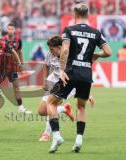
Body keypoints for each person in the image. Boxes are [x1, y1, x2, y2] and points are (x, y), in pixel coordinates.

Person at [39, 3, 112, 153]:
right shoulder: (95, 32)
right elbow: (108, 52)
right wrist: (98, 54)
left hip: (71, 72)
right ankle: (79, 140)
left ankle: (56, 136)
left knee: (51, 103)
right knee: (81, 107)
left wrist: (61, 69)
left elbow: (65, 49)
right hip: (86, 74)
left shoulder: (69, 30)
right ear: (88, 15)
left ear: (75, 14)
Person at [38, 36, 94, 142]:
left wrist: (88, 93)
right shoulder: (51, 54)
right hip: (52, 82)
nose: (50, 51)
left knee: (51, 105)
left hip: (66, 85)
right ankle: (64, 109)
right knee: (41, 111)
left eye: (52, 49)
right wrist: (45, 80)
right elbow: (45, 65)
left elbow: (81, 75)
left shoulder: (72, 56)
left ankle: (46, 133)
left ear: (59, 47)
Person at [2, 22, 31, 114]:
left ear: (14, 30)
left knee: (16, 87)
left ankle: (21, 107)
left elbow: (20, 52)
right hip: (2, 68)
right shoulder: (2, 40)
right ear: (7, 30)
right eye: (9, 29)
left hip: (13, 68)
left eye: (12, 29)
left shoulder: (18, 40)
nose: (10, 30)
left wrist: (21, 64)